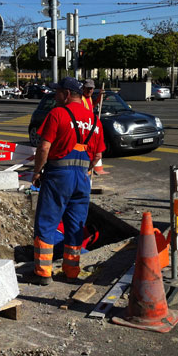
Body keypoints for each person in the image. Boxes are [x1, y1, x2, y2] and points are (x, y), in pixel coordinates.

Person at [31, 77, 105, 285]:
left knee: (47, 223)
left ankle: (43, 272)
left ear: (66, 94)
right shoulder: (94, 120)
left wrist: (37, 172)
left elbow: (44, 147)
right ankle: (71, 271)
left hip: (58, 176)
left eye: (57, 93)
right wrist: (85, 171)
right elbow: (98, 155)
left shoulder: (57, 114)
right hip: (82, 178)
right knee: (75, 225)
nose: (55, 97)